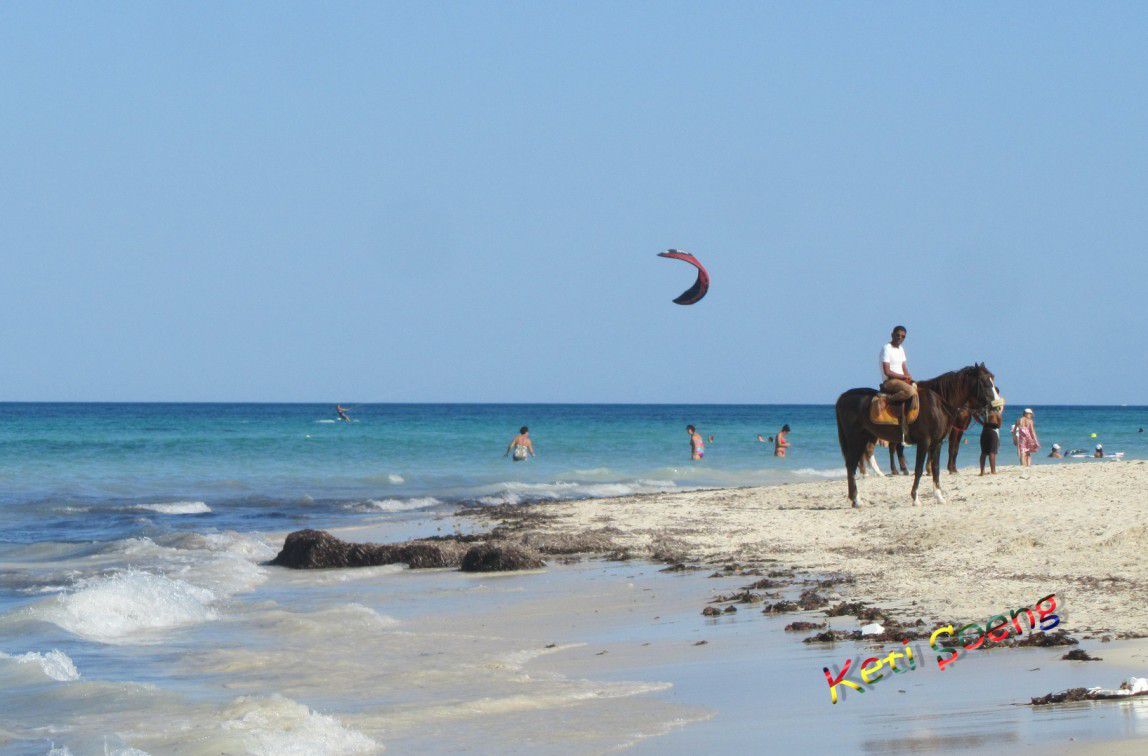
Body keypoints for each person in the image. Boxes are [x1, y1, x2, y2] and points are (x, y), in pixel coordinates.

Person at [880, 326, 916, 444]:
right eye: (898, 335)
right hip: (890, 381)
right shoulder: (886, 348)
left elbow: (904, 368)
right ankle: (888, 400)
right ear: (892, 334)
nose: (900, 338)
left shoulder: (901, 349)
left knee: (917, 389)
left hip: (901, 381)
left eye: (903, 336)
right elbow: (887, 371)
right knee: (910, 391)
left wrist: (910, 379)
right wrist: (903, 377)